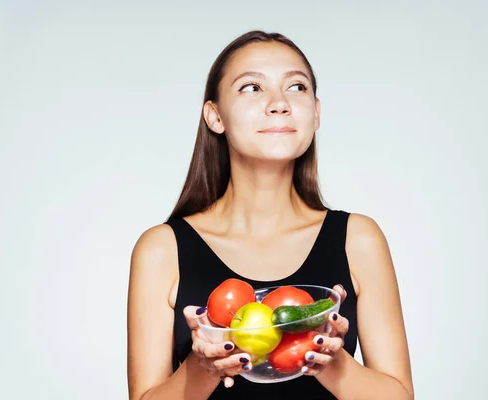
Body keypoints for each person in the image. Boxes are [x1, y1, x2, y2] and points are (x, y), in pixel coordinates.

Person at [127, 30, 414, 400]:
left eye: (296, 87)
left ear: (317, 113)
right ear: (215, 116)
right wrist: (203, 368)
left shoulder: (358, 239)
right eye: (251, 88)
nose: (280, 103)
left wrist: (329, 360)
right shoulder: (161, 249)